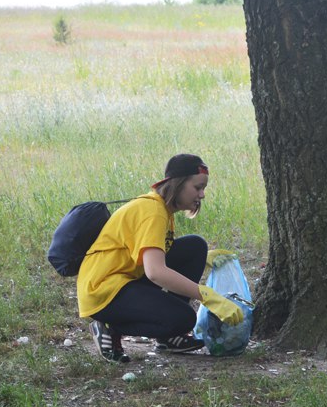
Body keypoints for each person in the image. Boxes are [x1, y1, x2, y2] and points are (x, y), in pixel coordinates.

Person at [77, 154, 244, 363]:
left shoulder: (161, 207)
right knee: (184, 319)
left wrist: (204, 258)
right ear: (178, 184)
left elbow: (156, 254)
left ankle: (168, 338)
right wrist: (208, 296)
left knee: (195, 247)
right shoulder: (153, 212)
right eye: (198, 187)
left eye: (203, 189)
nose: (202, 195)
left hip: (124, 277)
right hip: (103, 291)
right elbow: (155, 272)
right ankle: (110, 327)